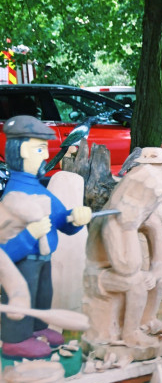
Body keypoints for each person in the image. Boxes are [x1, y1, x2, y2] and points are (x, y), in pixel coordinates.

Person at [0, 115, 92, 360]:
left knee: (42, 295)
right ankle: (15, 339)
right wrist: (31, 234)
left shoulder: (38, 189)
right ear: (20, 151)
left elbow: (62, 220)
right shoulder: (13, 195)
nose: (44, 155)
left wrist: (76, 217)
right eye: (39, 149)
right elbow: (4, 249)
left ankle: (38, 328)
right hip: (24, 263)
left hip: (43, 259)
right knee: (21, 295)